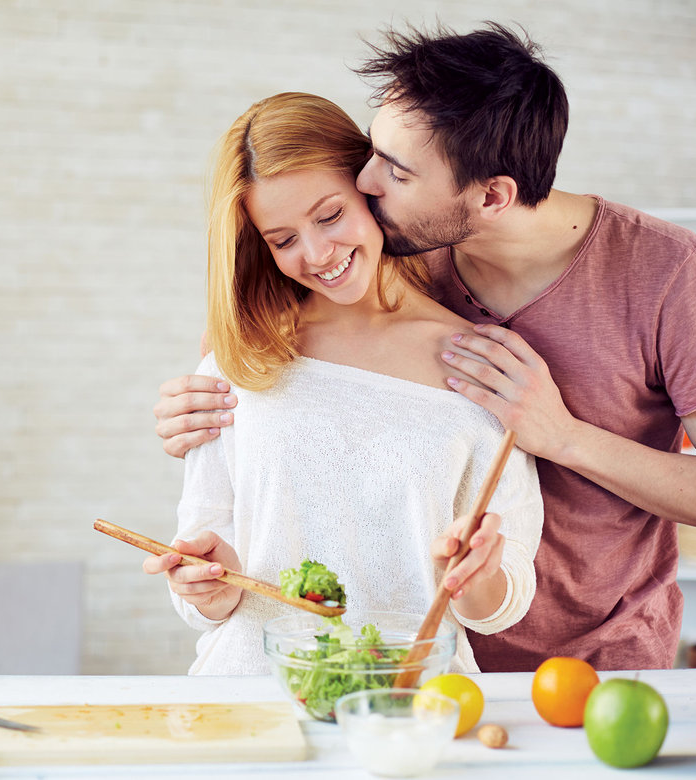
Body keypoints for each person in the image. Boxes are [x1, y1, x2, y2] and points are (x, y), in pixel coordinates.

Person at [153, 24, 696, 672]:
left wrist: (563, 436)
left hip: (591, 654)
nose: (365, 179)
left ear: (491, 196)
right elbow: (261, 343)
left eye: (394, 170)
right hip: (429, 668)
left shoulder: (666, 273)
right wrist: (197, 395)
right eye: (372, 151)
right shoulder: (395, 246)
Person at [143, 91, 544, 675]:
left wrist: (479, 579)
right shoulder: (240, 363)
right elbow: (206, 590)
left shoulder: (481, 367)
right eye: (282, 240)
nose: (317, 253)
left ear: (371, 185)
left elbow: (504, 603)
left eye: (330, 215)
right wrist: (208, 584)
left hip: (411, 703)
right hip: (252, 696)